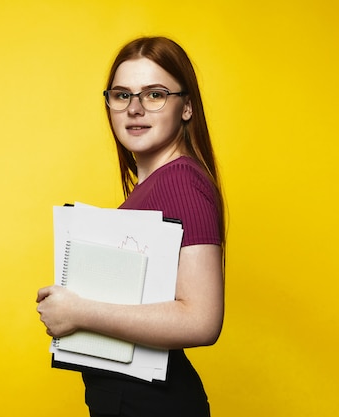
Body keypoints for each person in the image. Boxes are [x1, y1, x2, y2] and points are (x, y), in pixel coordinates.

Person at [36, 36, 225, 417]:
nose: (135, 109)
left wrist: (80, 312)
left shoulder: (181, 181)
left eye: (154, 95)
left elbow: (202, 320)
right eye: (122, 95)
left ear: (186, 107)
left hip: (151, 405)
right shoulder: (158, 184)